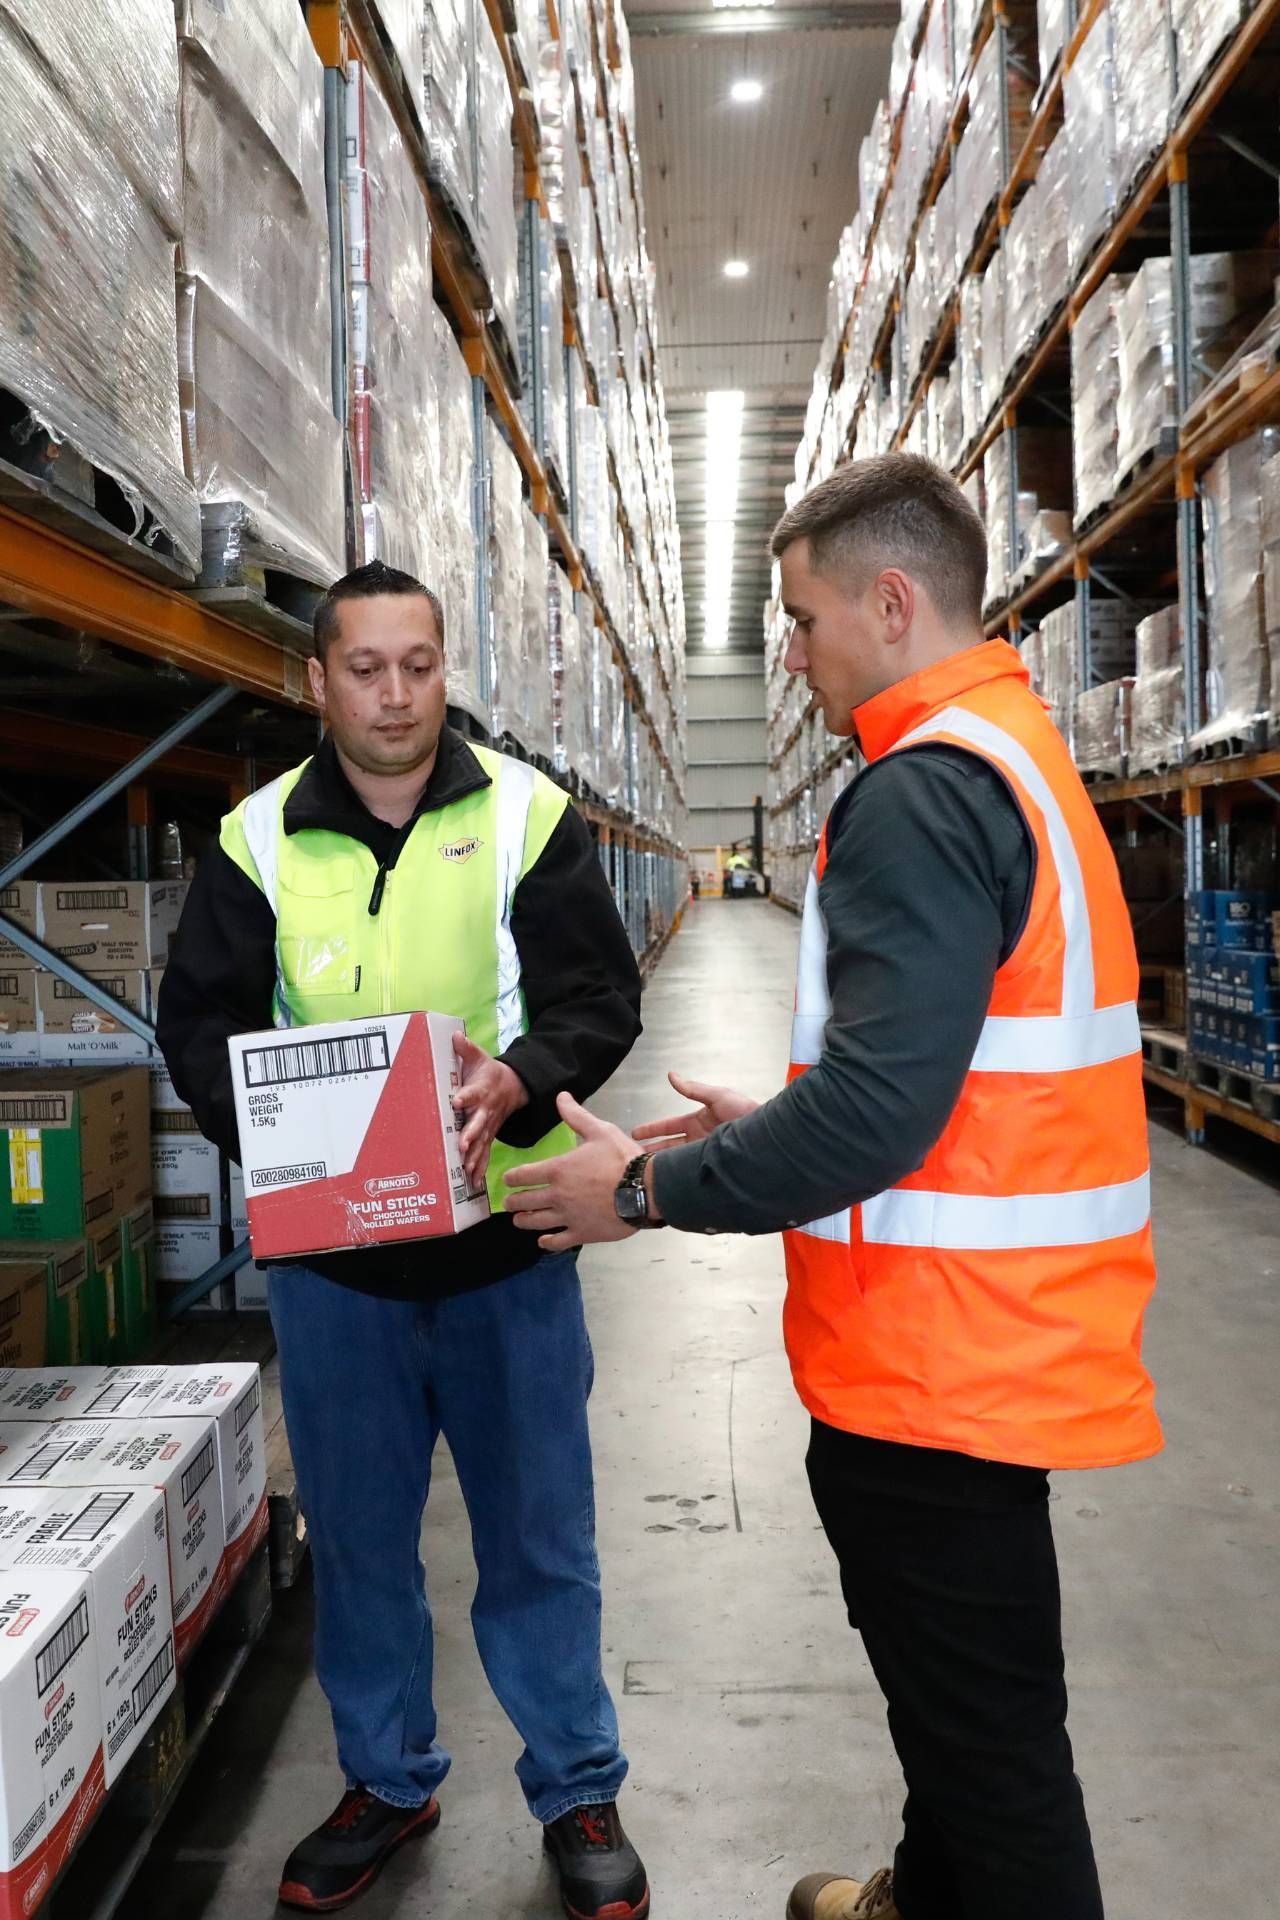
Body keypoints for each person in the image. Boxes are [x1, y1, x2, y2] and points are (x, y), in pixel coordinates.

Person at [506, 455, 1161, 1920]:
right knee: (956, 1711)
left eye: (799, 623)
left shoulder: (924, 797)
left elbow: (880, 1111)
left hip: (940, 1368)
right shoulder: (1005, 750)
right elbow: (932, 1069)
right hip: (984, 1342)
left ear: (888, 599)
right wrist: (773, 1121)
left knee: (995, 1757)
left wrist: (647, 1195)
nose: (789, 658)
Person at [157, 560, 650, 1920]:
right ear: (316, 681)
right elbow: (196, 1025)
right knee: (364, 1543)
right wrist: (296, 1140)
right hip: (338, 1276)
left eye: (418, 665)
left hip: (507, 1253)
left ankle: (577, 1783)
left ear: (446, 671)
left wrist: (521, 1071)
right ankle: (386, 1776)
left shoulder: (526, 819)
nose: (393, 692)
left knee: (539, 1538)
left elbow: (601, 998)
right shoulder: (256, 843)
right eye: (364, 667)